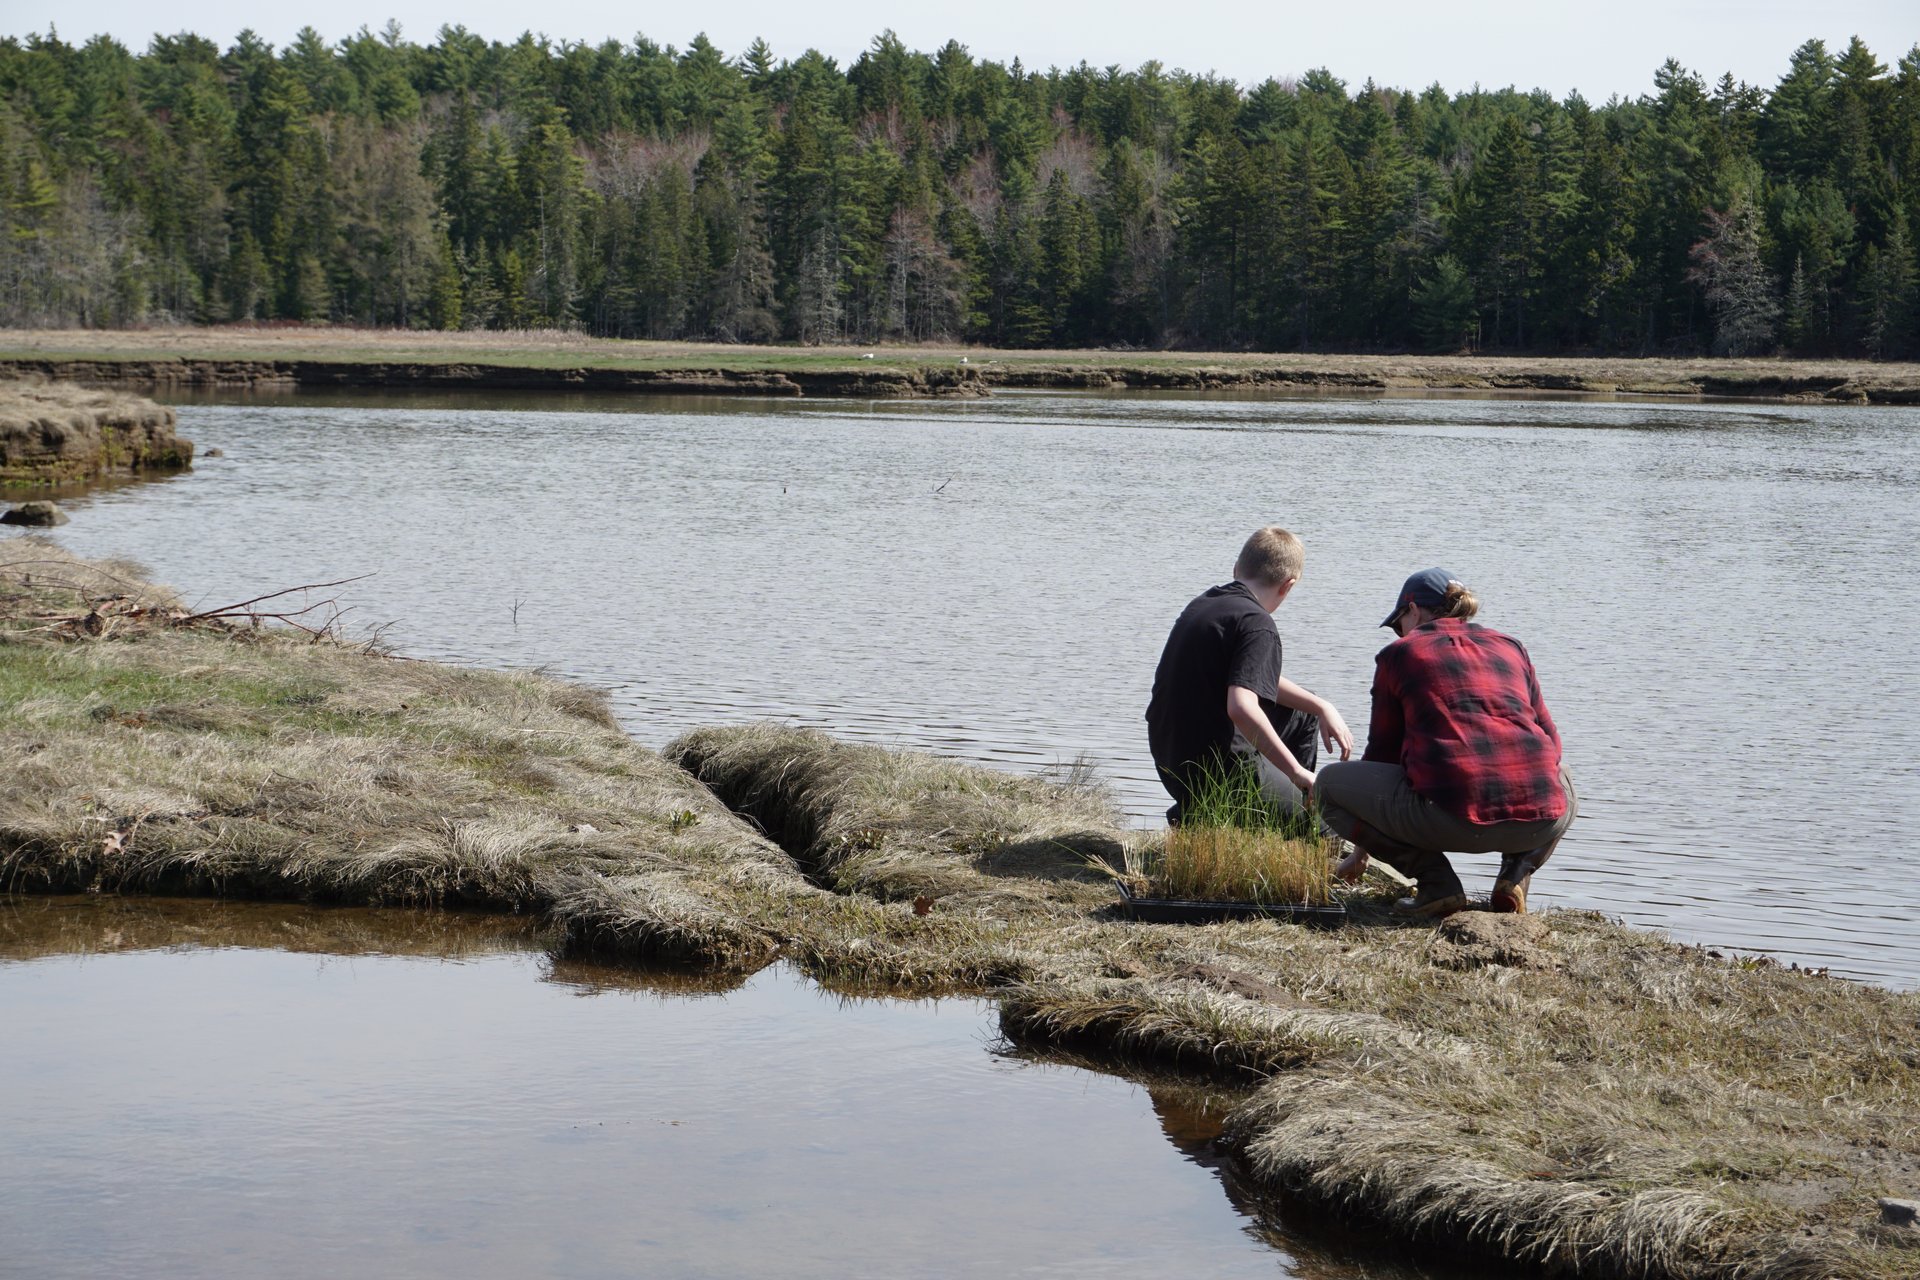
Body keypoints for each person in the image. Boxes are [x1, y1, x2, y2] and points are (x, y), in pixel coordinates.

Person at [1316, 568, 1576, 917]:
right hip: (1540, 825)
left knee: (1328, 786)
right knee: (1562, 776)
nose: (1399, 632)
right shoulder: (1511, 647)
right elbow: (1550, 739)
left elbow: (1383, 753)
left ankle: (1436, 883)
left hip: (1451, 821)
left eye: (1398, 623)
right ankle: (1515, 876)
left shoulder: (1399, 655)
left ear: (1412, 610)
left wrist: (1360, 852)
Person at [1146, 526, 1353, 826]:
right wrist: (1296, 771)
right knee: (1324, 830)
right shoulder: (1258, 623)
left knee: (1303, 713)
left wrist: (1322, 706)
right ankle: (1275, 810)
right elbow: (1241, 707)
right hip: (1216, 771)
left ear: (1237, 568)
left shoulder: (1207, 604)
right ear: (1288, 585)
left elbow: (1249, 677)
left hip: (1170, 760)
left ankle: (1223, 810)